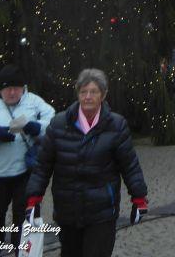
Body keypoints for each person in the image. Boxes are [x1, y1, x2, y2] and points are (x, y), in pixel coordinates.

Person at [25, 69, 148, 257]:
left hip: (102, 211)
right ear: (77, 94)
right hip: (68, 209)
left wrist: (139, 197)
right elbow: (43, 165)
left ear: (103, 95)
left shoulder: (116, 125)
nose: (88, 97)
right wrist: (34, 198)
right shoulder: (59, 124)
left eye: (93, 92)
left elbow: (129, 165)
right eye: (83, 92)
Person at [0, 64, 55, 251]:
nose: (11, 92)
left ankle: (21, 249)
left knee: (24, 214)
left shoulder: (34, 101)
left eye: (15, 88)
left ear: (22, 88)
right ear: (0, 89)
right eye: (7, 88)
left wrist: (37, 127)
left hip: (26, 170)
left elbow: (53, 121)